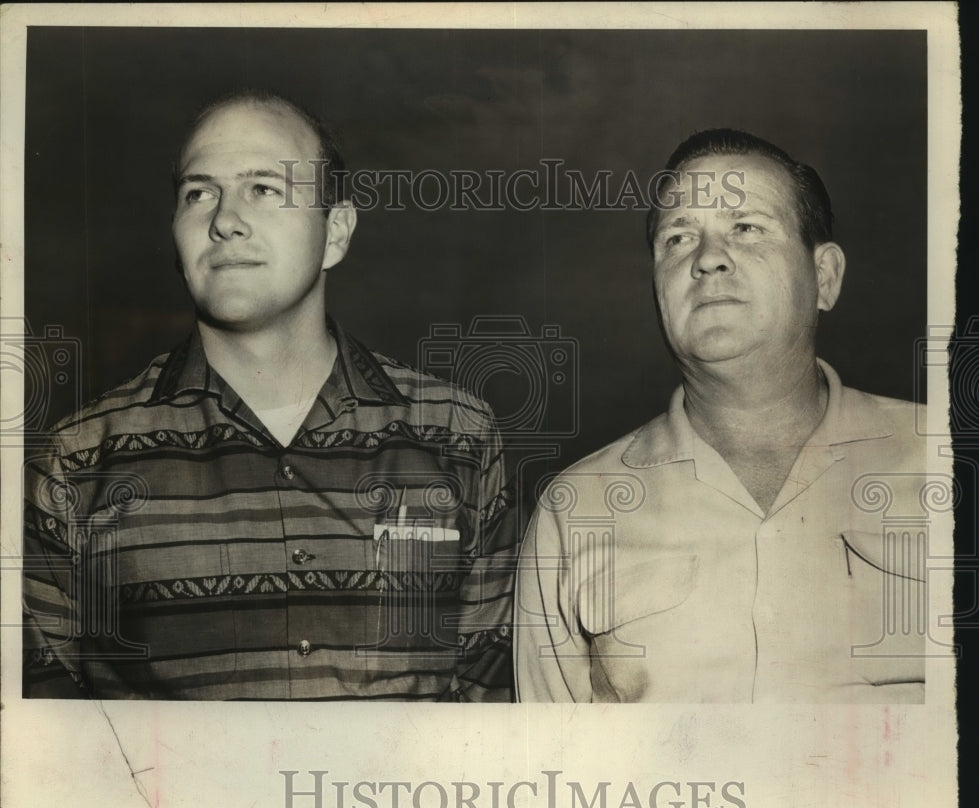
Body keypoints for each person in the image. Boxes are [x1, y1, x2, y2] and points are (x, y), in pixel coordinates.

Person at [23, 91, 517, 700]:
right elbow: (42, 726)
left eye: (262, 188)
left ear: (335, 232)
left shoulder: (458, 436)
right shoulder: (77, 461)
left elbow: (491, 702)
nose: (224, 219)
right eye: (198, 193)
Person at [515, 128, 930, 703]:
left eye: (747, 227)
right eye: (678, 238)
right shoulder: (575, 509)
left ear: (825, 277)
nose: (708, 258)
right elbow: (551, 751)